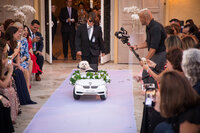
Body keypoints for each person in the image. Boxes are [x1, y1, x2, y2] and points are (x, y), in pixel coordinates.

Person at [130, 9, 166, 85]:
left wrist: (145, 61)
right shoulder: (149, 27)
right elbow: (147, 43)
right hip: (156, 53)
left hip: (161, 54)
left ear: (145, 18)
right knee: (146, 72)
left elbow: (153, 49)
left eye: (140, 18)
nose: (139, 20)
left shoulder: (155, 28)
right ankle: (149, 91)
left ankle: (152, 92)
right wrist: (136, 47)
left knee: (148, 73)